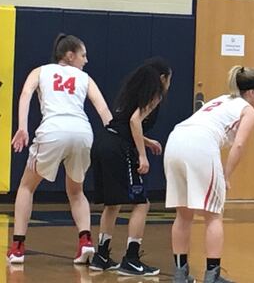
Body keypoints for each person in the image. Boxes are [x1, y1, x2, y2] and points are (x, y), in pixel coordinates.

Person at [6, 34, 112, 264]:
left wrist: (22, 127)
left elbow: (25, 95)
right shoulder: (85, 78)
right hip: (82, 132)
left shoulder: (40, 71)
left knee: (26, 187)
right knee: (76, 191)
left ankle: (17, 247)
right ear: (70, 55)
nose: (86, 60)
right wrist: (117, 140)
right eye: (83, 55)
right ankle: (85, 241)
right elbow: (104, 111)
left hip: (53, 130)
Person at [166, 66, 254, 283]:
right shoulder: (248, 110)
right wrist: (226, 175)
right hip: (199, 145)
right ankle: (212, 276)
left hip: (174, 141)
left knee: (183, 214)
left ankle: (180, 274)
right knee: (213, 215)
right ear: (251, 93)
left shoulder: (221, 99)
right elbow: (238, 146)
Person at [89, 58, 172, 276]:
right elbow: (135, 121)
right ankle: (132, 259)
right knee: (141, 203)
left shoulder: (132, 93)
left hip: (104, 142)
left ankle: (101, 256)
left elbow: (124, 123)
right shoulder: (155, 94)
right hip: (119, 148)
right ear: (162, 78)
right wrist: (143, 157)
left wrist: (147, 141)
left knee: (112, 203)